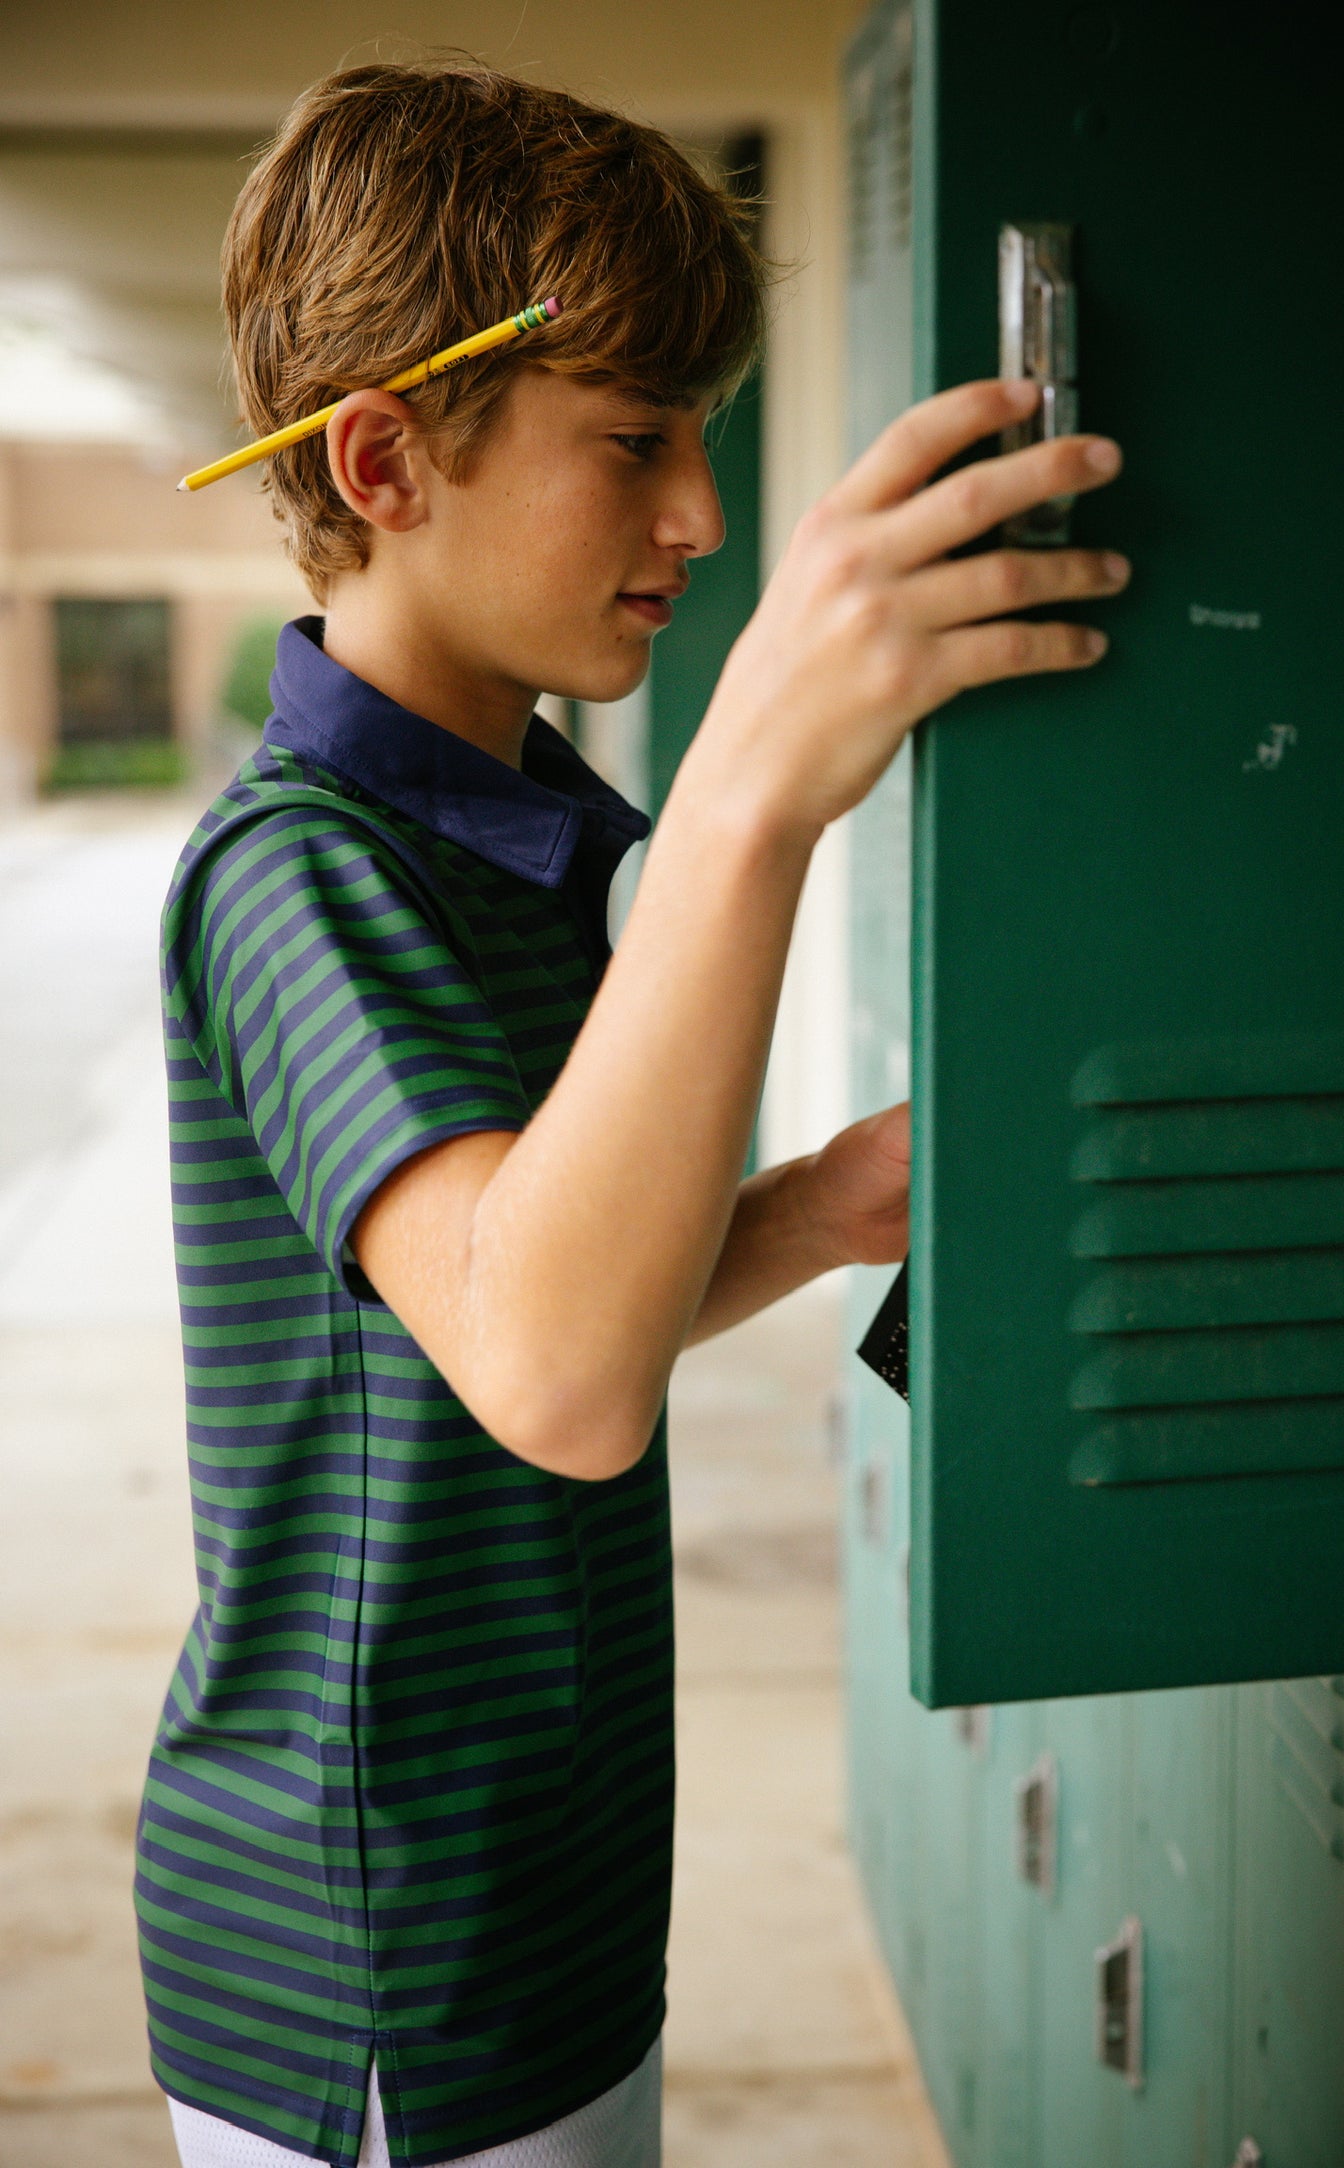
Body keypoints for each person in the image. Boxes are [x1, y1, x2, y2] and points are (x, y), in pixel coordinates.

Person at [138, 58, 1127, 2168]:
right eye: (633, 441)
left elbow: (541, 1298)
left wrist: (821, 1205)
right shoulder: (299, 870)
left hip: (548, 1882)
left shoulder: (518, 831)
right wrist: (751, 794)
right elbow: (558, 1374)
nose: (700, 513)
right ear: (383, 459)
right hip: (373, 1951)